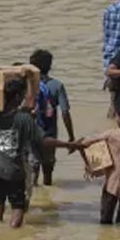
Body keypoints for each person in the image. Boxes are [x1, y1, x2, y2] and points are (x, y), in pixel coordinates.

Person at [0, 78, 77, 229]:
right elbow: (43, 141)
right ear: (17, 98)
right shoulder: (23, 119)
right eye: (22, 96)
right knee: (18, 207)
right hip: (14, 173)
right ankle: (13, 236)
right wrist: (69, 144)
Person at [78, 104, 120, 225]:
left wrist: (90, 164)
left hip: (113, 182)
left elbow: (86, 142)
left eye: (117, 117)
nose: (116, 119)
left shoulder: (113, 134)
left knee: (105, 221)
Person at [28, 49, 75, 187]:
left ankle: (35, 200)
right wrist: (71, 137)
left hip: (31, 133)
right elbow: (65, 113)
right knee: (48, 170)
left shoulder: (27, 85)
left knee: (32, 169)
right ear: (50, 66)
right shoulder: (57, 85)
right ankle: (48, 200)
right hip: (50, 133)